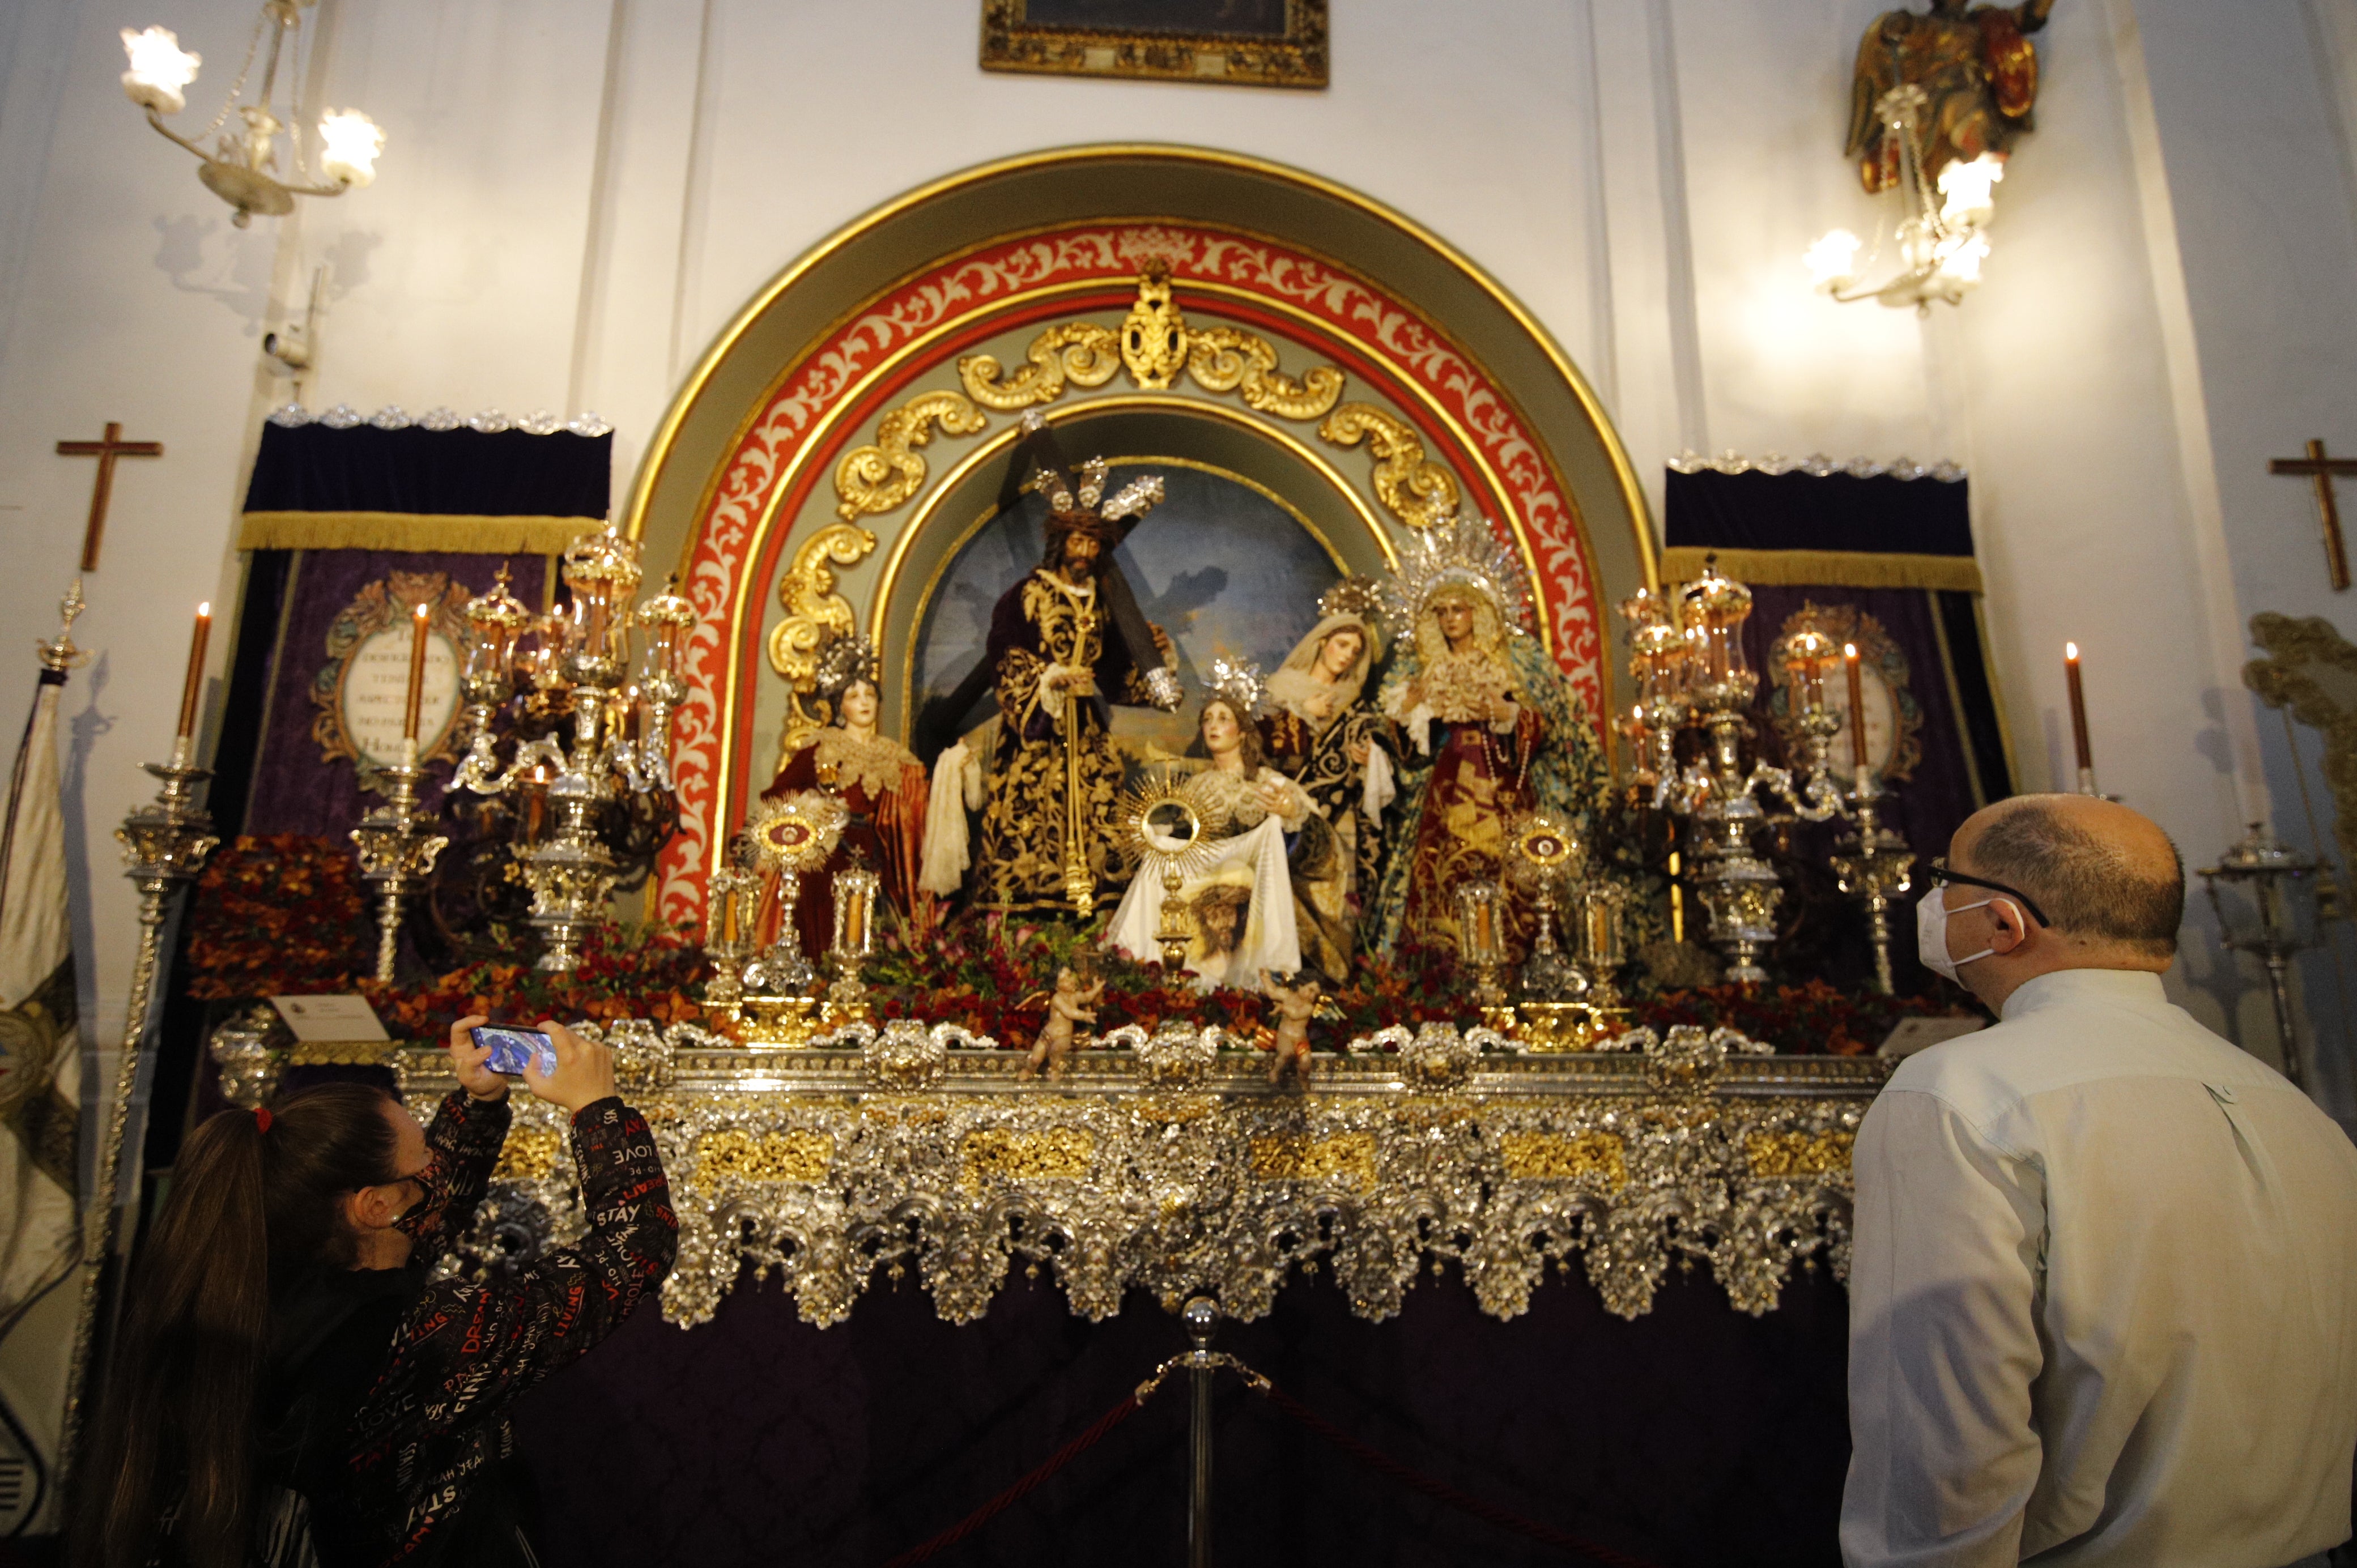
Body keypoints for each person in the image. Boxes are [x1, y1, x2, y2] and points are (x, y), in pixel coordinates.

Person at [1844, 794, 2357, 1567]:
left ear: (2002, 923)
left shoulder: (1957, 1094)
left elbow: (1945, 1436)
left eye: (1943, 881)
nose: (1929, 901)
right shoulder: (2293, 1106)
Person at [74, 1016, 676, 1568]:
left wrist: (478, 1101)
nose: (436, 1170)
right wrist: (597, 1107)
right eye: (425, 1163)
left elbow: (424, 1214)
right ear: (374, 1205)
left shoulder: (238, 1278)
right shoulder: (420, 1335)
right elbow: (629, 1254)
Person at [1367, 515, 1610, 960]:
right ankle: (1439, 972)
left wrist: (1511, 715)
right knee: (1439, 875)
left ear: (1478, 612)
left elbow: (1554, 724)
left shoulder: (1519, 658)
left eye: (1457, 610)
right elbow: (1400, 746)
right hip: (1445, 782)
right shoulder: (1418, 665)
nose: (1449, 620)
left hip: (1506, 787)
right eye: (1440, 612)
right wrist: (1414, 712)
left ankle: (1522, 965)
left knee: (1514, 874)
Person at [759, 637, 935, 955]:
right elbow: (779, 796)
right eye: (854, 696)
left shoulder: (897, 758)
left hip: (879, 858)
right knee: (826, 934)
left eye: (870, 694)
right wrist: (815, 806)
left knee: (875, 935)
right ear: (840, 705)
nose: (864, 702)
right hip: (829, 858)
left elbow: (918, 811)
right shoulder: (823, 746)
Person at [1261, 580, 1392, 972]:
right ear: (1322, 642)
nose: (1347, 656)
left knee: (1322, 906)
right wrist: (1301, 714)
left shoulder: (1357, 709)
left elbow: (1379, 775)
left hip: (1331, 823)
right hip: (1276, 813)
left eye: (1356, 651)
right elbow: (1261, 750)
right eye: (1341, 645)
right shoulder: (1282, 688)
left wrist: (1373, 764)